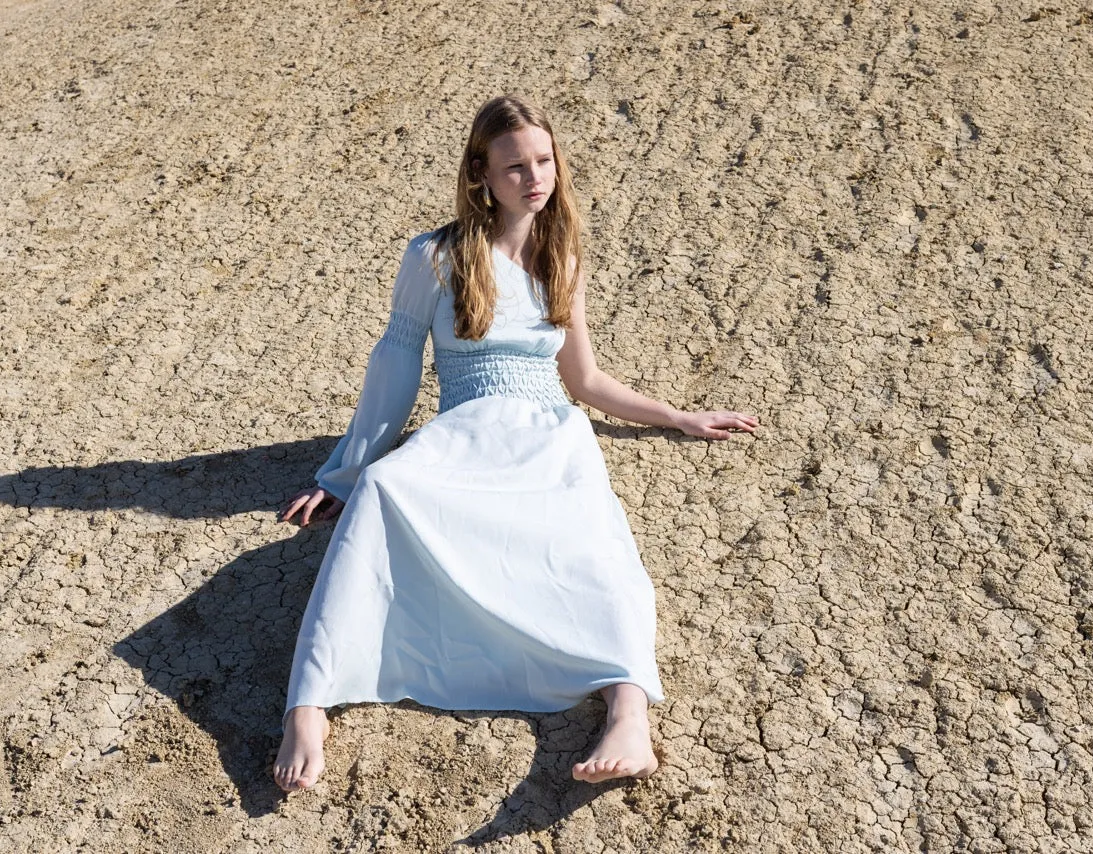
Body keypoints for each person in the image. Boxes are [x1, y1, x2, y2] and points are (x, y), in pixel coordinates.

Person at [272, 94, 758, 792]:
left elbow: (585, 379)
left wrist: (676, 415)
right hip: (463, 433)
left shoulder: (562, 256)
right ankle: (309, 706)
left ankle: (628, 712)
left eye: (543, 161)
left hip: (550, 435)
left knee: (597, 540)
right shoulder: (435, 255)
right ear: (481, 175)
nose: (534, 177)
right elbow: (396, 366)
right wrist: (347, 472)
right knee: (384, 493)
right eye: (513, 166)